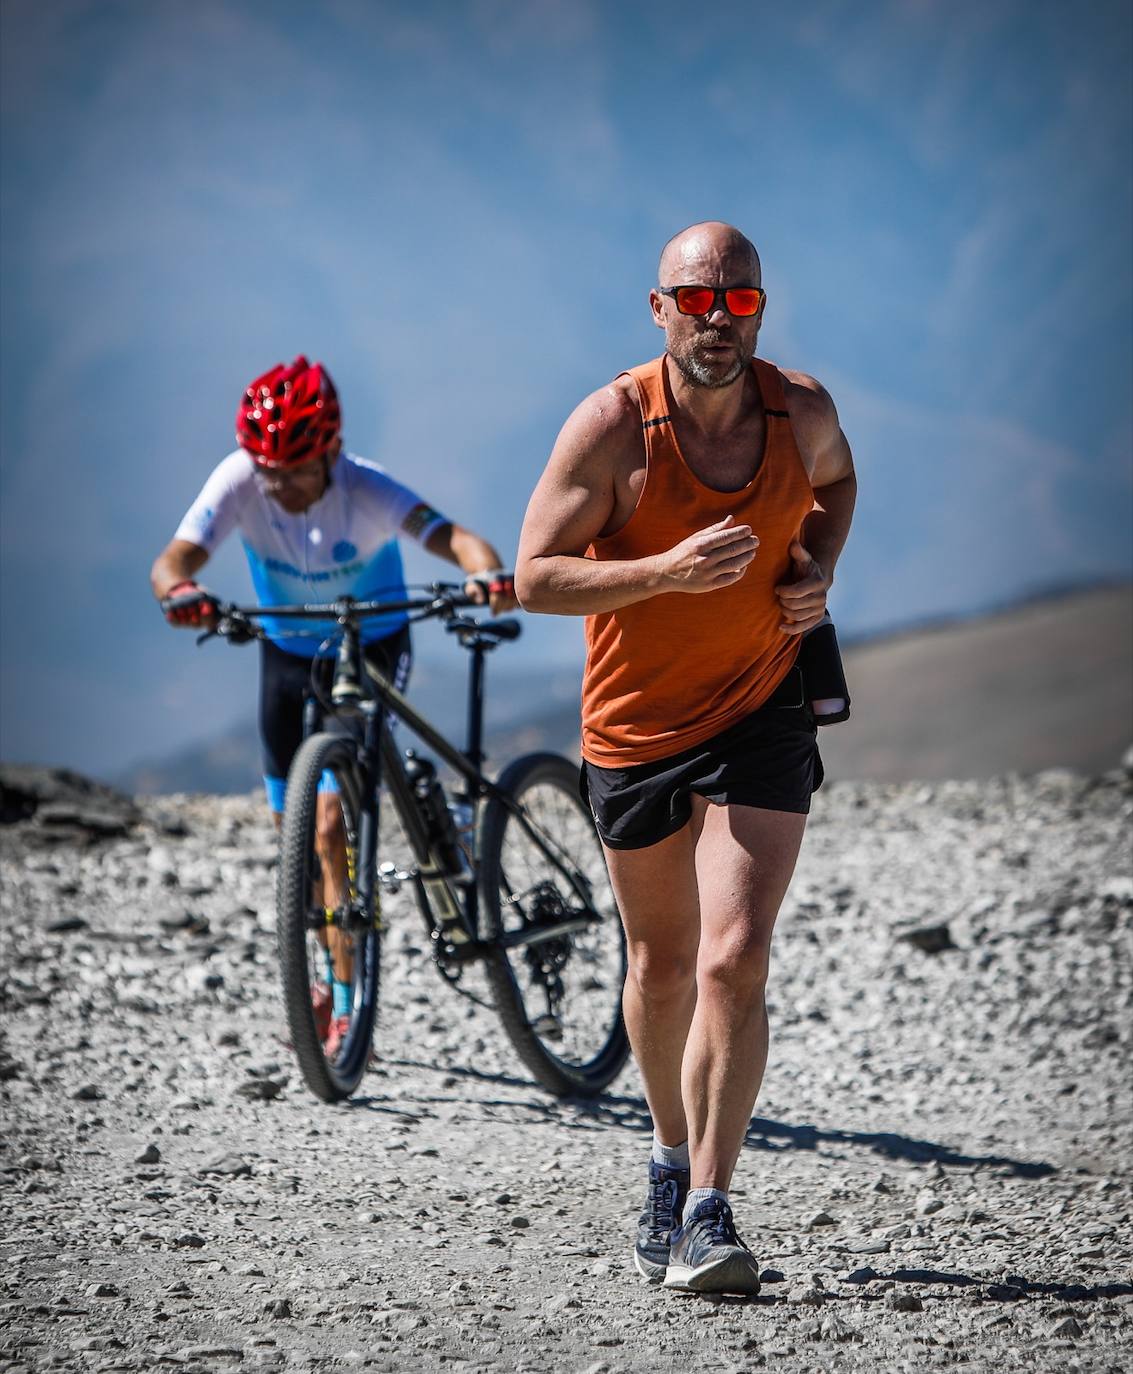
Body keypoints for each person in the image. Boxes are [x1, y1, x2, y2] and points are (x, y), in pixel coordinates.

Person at [515, 223, 856, 1294]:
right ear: (656, 309)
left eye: (738, 302)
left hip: (762, 702)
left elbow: (836, 485)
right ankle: (666, 1161)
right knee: (662, 967)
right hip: (634, 728)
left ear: (760, 307)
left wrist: (816, 568)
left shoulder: (797, 410)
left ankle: (709, 1208)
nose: (717, 320)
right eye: (695, 301)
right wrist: (662, 572)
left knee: (732, 957)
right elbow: (533, 578)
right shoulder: (613, 427)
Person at [151, 355, 515, 1053]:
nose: (278, 486)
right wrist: (179, 593)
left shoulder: (365, 487)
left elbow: (460, 540)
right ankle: (328, 969)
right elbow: (173, 560)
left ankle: (347, 1002)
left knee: (326, 827)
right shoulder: (239, 478)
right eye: (267, 470)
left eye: (295, 470)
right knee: (302, 845)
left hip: (372, 643)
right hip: (286, 656)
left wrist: (484, 574)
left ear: (331, 453)